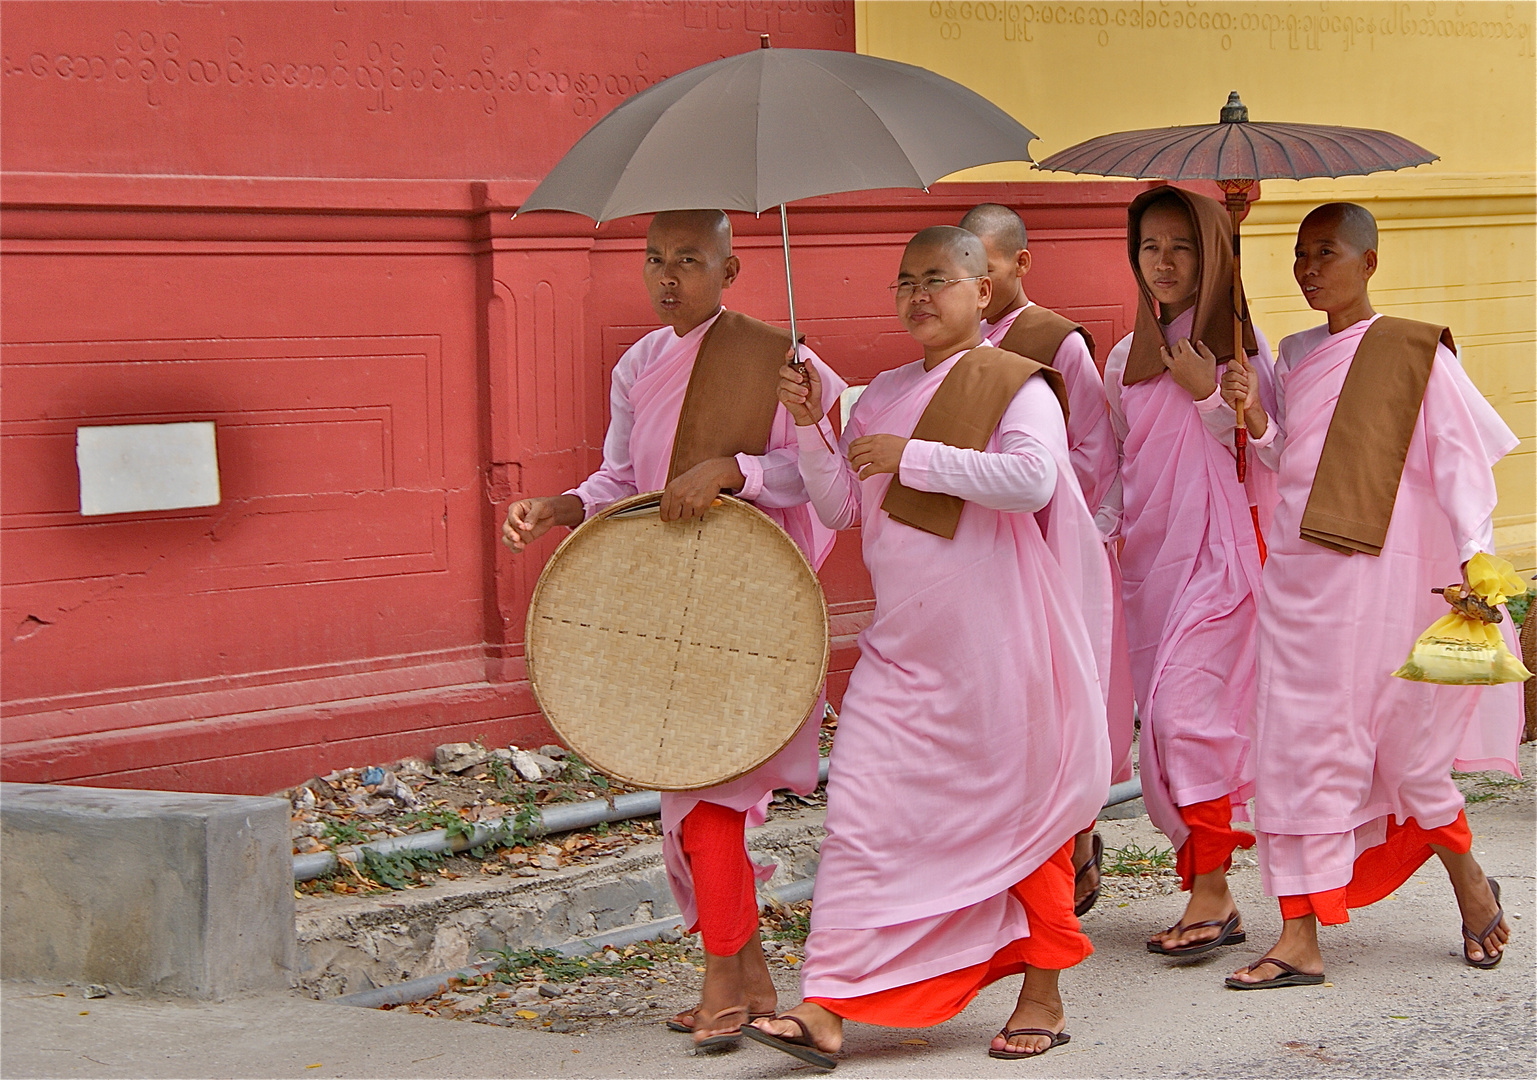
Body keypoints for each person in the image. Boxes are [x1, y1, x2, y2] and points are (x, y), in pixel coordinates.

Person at [742, 226, 1110, 1068]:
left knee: (1024, 819)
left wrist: (918, 457)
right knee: (862, 818)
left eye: (937, 279)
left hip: (997, 648)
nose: (917, 295)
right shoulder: (879, 396)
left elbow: (1032, 481)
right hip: (902, 653)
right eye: (904, 281)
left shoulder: (1016, 385)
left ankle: (1042, 993)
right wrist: (808, 427)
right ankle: (829, 1005)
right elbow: (841, 508)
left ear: (982, 292)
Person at [501, 209, 847, 1045]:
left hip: (748, 610)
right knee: (684, 792)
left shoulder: (782, 362)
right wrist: (559, 507)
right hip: (663, 613)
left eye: (688, 261)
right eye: (654, 260)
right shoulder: (639, 364)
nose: (666, 277)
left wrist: (738, 469)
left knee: (707, 793)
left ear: (728, 273)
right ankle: (745, 972)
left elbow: (826, 477)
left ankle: (726, 978)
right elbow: (623, 477)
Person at [1221, 203, 1521, 989]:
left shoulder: (1411, 351)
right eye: (1298, 255)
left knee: (1402, 753)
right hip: (1295, 577)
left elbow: (1460, 467)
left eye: (1325, 253)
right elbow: (1287, 457)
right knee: (1292, 745)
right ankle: (1298, 936)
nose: (1308, 269)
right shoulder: (1292, 353)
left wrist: (1477, 566)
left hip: (1379, 579)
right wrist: (1251, 411)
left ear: (1368, 263)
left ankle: (1466, 877)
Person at [1099, 185, 1278, 958]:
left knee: (1186, 718)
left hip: (1222, 560)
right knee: (1165, 740)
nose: (1164, 263)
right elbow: (1116, 469)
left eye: (1182, 247)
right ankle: (1213, 893)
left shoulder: (1245, 348)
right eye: (1149, 248)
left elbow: (1270, 451)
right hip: (1150, 567)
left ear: (1212, 255)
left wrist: (1217, 394)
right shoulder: (1121, 359)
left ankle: (1210, 892)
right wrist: (1084, 536)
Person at [960, 203, 1131, 916]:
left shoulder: (1053, 342)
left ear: (1019, 265)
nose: (973, 284)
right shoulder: (954, 345)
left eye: (987, 269)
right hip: (981, 561)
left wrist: (1070, 539)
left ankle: (1075, 848)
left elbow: (1095, 451)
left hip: (1055, 554)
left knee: (1065, 710)